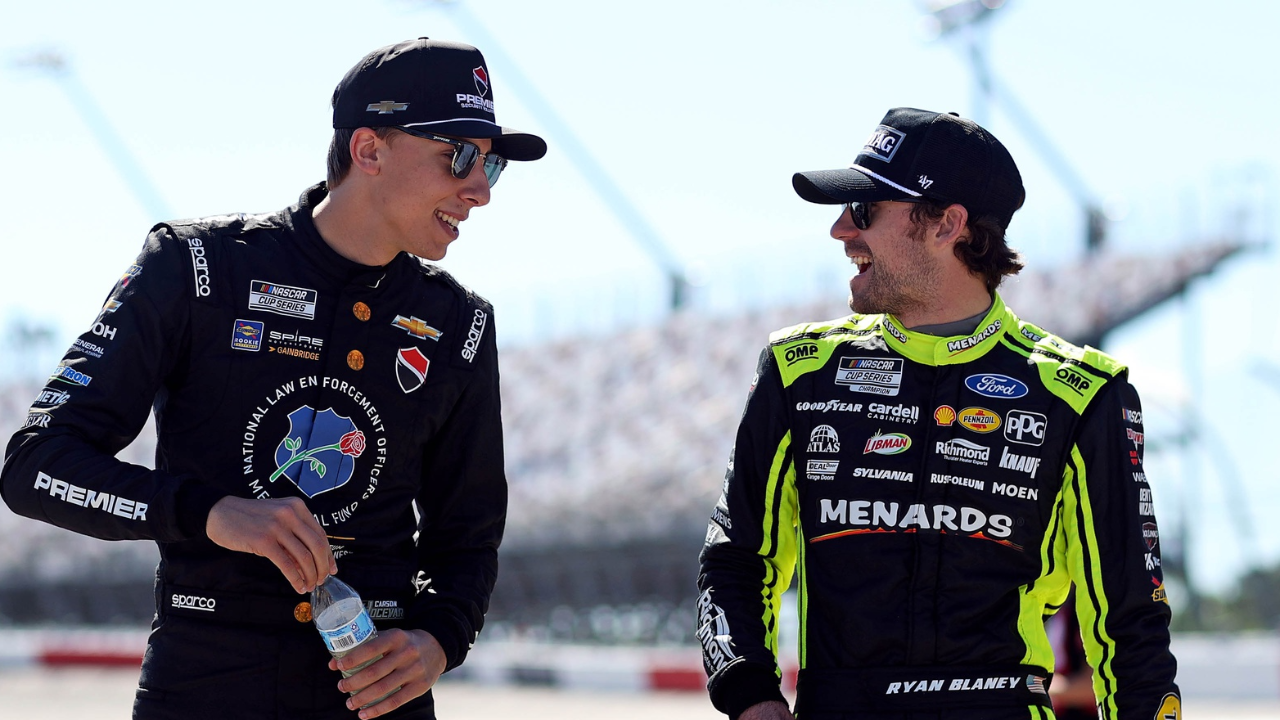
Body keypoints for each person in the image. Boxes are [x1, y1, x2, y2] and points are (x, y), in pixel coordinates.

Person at [1, 37, 544, 720]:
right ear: (369, 150)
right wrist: (210, 513)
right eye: (458, 156)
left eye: (491, 164)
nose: (481, 189)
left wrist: (437, 641)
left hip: (375, 696)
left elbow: (467, 541)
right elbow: (35, 467)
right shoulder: (197, 268)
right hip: (205, 681)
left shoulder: (459, 325)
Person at [696, 107, 1180, 720]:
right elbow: (736, 560)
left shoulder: (1082, 394)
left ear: (947, 224)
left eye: (865, 208)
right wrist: (753, 700)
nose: (841, 230)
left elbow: (1131, 619)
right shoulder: (799, 371)